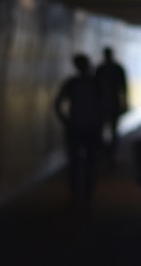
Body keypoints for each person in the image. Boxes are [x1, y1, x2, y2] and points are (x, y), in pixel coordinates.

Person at [54, 53, 102, 210]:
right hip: (91, 128)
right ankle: (87, 195)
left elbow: (58, 104)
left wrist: (66, 120)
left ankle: (76, 195)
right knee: (90, 162)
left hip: (75, 127)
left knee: (75, 163)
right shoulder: (96, 83)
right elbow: (104, 105)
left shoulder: (72, 83)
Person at [95, 46, 128, 162]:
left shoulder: (101, 69)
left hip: (104, 104)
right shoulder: (117, 69)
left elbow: (96, 88)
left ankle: (106, 152)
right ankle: (110, 153)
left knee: (103, 129)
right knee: (112, 129)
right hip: (113, 103)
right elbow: (123, 88)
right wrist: (124, 103)